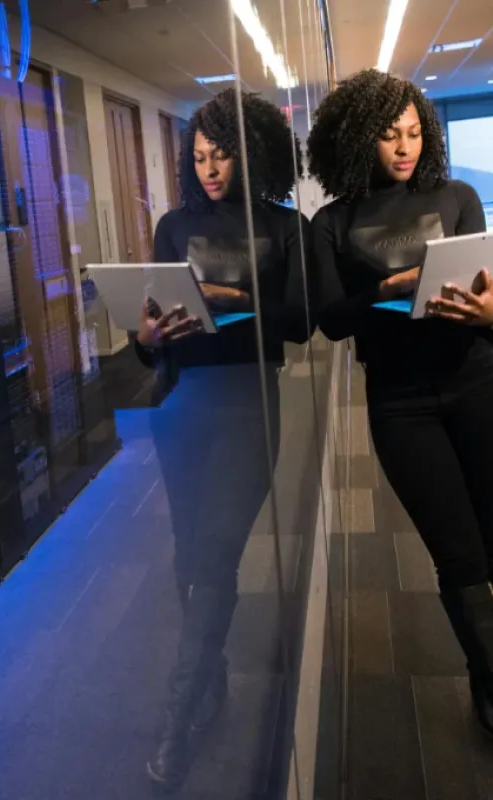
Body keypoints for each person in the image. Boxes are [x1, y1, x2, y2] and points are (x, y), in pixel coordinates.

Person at [133, 88, 314, 791]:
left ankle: (178, 718)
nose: (211, 169)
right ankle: (212, 683)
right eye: (201, 157)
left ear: (251, 152)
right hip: (182, 405)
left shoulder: (282, 226)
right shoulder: (173, 227)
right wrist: (146, 338)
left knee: (213, 558)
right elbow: (153, 341)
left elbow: (299, 323)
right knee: (188, 559)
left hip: (248, 408)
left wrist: (233, 301)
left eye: (223, 155)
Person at [308, 69, 493, 737]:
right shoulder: (332, 221)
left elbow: (487, 301)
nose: (405, 147)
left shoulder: (460, 196)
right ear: (357, 139)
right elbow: (330, 320)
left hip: (479, 382)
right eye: (389, 135)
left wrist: (486, 311)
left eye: (415, 132)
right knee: (460, 555)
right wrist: (396, 285)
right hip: (400, 402)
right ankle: (489, 681)